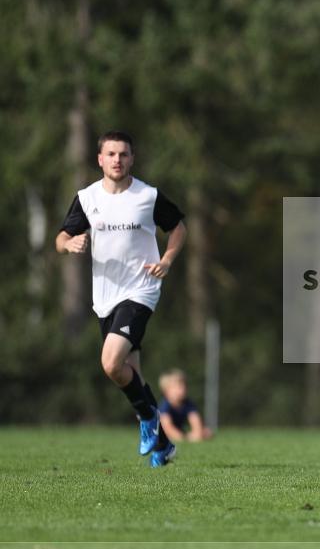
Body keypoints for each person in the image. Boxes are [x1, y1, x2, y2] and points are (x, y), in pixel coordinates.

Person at [56, 131, 186, 468]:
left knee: (111, 363)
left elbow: (178, 227)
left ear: (132, 159)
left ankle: (148, 418)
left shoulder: (147, 196)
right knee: (132, 374)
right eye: (111, 154)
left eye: (124, 154)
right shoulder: (87, 198)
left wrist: (167, 260)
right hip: (105, 297)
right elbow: (61, 236)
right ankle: (163, 445)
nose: (117, 160)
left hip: (141, 290)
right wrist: (68, 244)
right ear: (100, 159)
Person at [158, 368, 213, 443]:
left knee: (207, 432)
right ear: (166, 391)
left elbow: (196, 422)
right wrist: (184, 438)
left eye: (184, 385)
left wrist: (198, 433)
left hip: (181, 432)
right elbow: (167, 428)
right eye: (178, 387)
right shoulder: (165, 406)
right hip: (164, 433)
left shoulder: (188, 403)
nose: (183, 389)